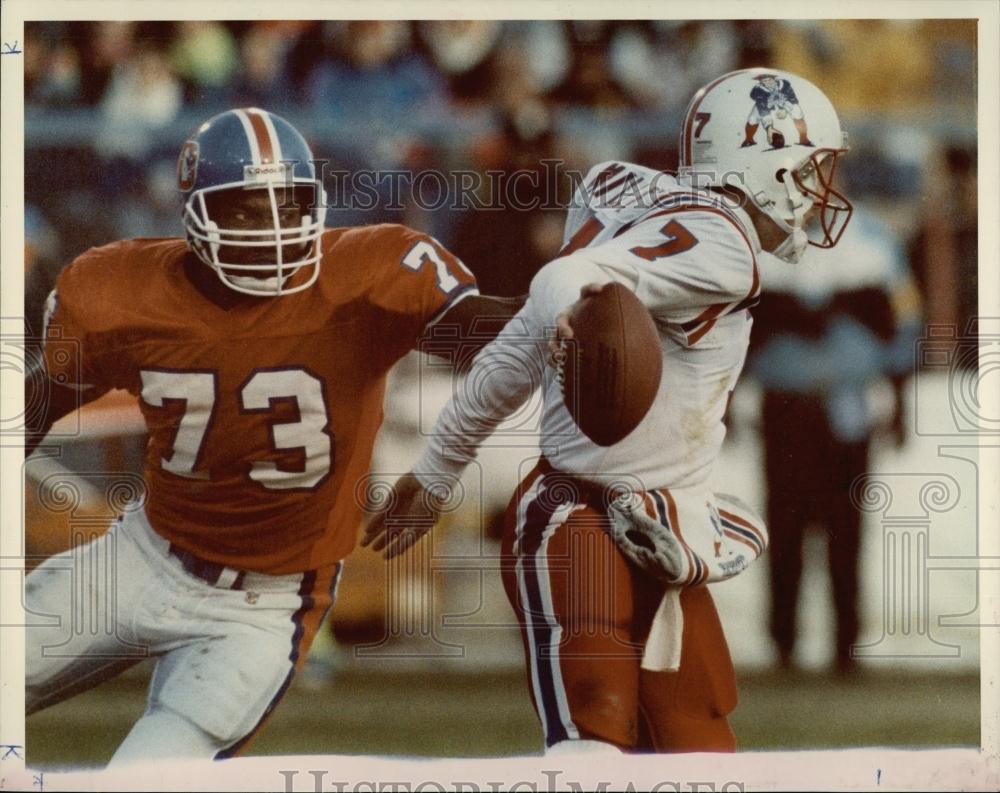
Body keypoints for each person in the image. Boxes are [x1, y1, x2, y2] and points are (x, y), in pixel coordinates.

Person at [362, 68, 853, 754]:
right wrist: (575, 306)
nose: (817, 191)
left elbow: (522, 340)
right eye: (806, 171)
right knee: (595, 734)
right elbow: (556, 285)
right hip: (578, 514)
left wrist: (441, 467)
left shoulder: (625, 190)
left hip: (663, 520)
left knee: (699, 743)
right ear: (760, 164)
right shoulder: (724, 250)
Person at [24, 107, 520, 765]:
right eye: (247, 209)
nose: (273, 228)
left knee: (144, 778)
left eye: (287, 204)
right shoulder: (119, 289)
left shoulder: (365, 275)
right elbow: (36, 405)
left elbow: (480, 330)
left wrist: (557, 314)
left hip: (262, 609)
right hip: (143, 556)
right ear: (197, 211)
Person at [749, 203, 922, 674]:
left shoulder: (872, 238)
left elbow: (903, 319)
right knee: (785, 528)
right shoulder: (760, 234)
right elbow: (735, 324)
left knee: (845, 529)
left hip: (848, 403)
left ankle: (846, 646)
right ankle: (783, 645)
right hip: (786, 405)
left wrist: (901, 401)